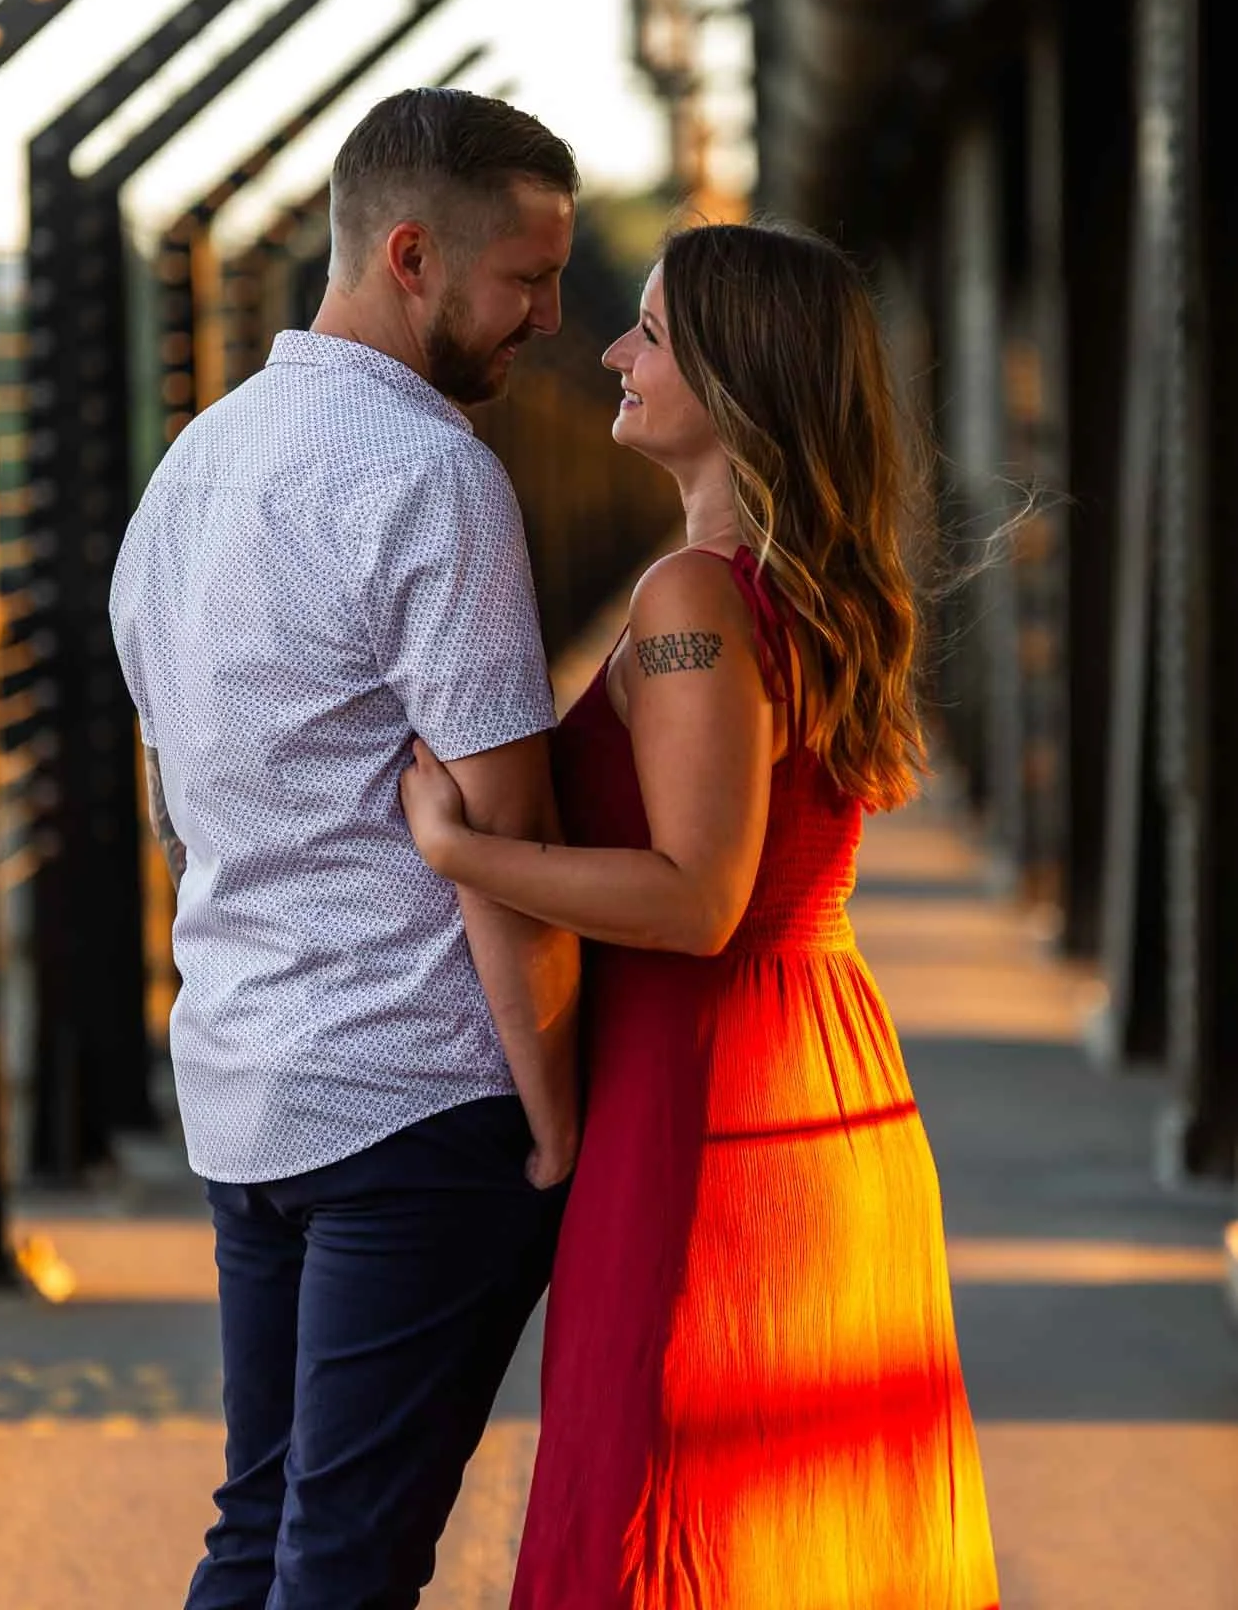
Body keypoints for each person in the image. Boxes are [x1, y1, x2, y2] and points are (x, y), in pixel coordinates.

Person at [401, 221, 1002, 1609]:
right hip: (816, 1075)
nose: (614, 350)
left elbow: (696, 899)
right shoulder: (799, 591)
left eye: (654, 333)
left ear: (738, 380)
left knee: (661, 1513)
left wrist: (460, 850)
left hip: (708, 1107)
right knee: (793, 1532)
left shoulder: (693, 595)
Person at [110, 88, 583, 1610]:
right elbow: (504, 835)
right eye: (525, 279)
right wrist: (557, 1119)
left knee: (263, 1531)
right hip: (420, 1095)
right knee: (347, 1561)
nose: (549, 319)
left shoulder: (191, 470)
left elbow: (180, 792)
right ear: (410, 256)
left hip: (248, 1089)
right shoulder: (432, 474)